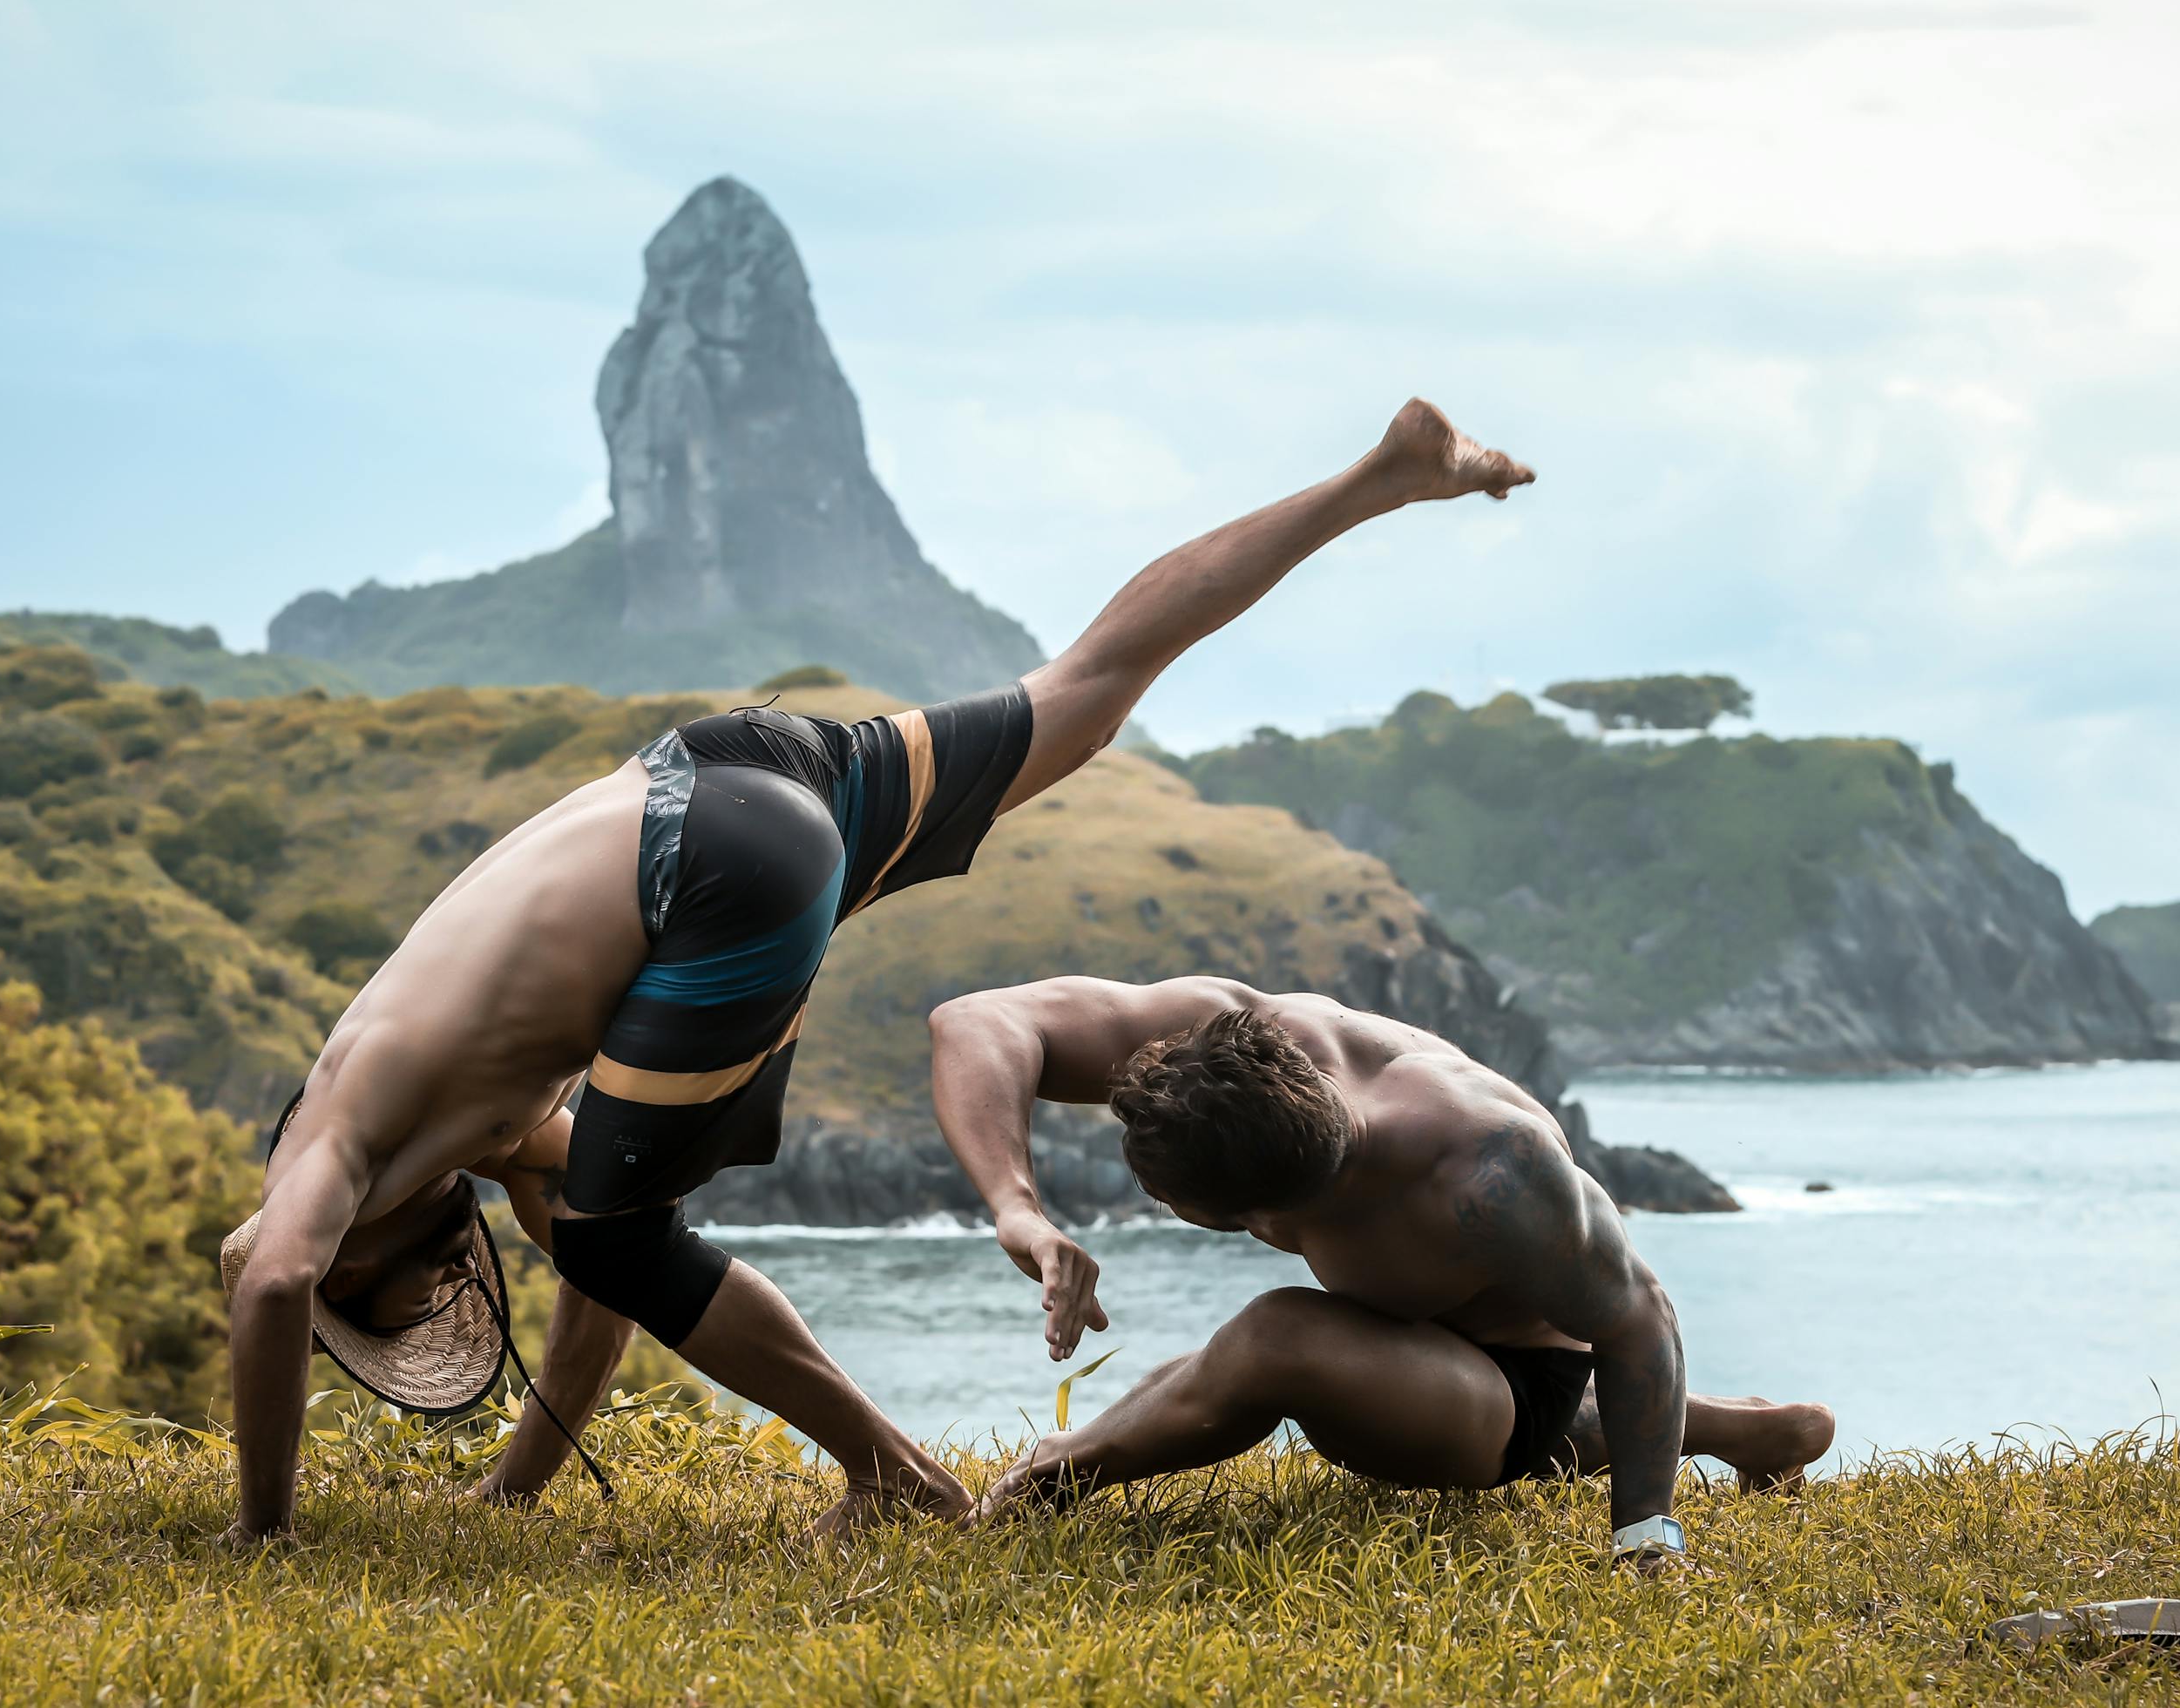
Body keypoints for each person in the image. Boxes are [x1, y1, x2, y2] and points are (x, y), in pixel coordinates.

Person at [221, 402, 1535, 1544]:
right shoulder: (470, 1126)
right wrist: (514, 1488)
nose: (445, 1286)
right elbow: (592, 1260)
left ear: (351, 1248)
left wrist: (261, 1529)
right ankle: (1381, 475)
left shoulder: (335, 1145)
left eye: (400, 1295)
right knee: (1082, 687)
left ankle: (891, 1471)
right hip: (730, 765)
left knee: (620, 1236)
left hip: (712, 869)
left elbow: (268, 1273)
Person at [927, 976, 1838, 1569]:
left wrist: (1647, 1537)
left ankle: (1050, 1477)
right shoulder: (1245, 1041)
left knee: (1273, 1340)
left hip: (1521, 1388)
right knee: (1214, 1367)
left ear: (1270, 1217)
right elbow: (977, 1021)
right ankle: (1755, 1432)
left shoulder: (1490, 1171)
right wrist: (1019, 1210)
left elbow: (1639, 1318)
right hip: (1436, 1344)